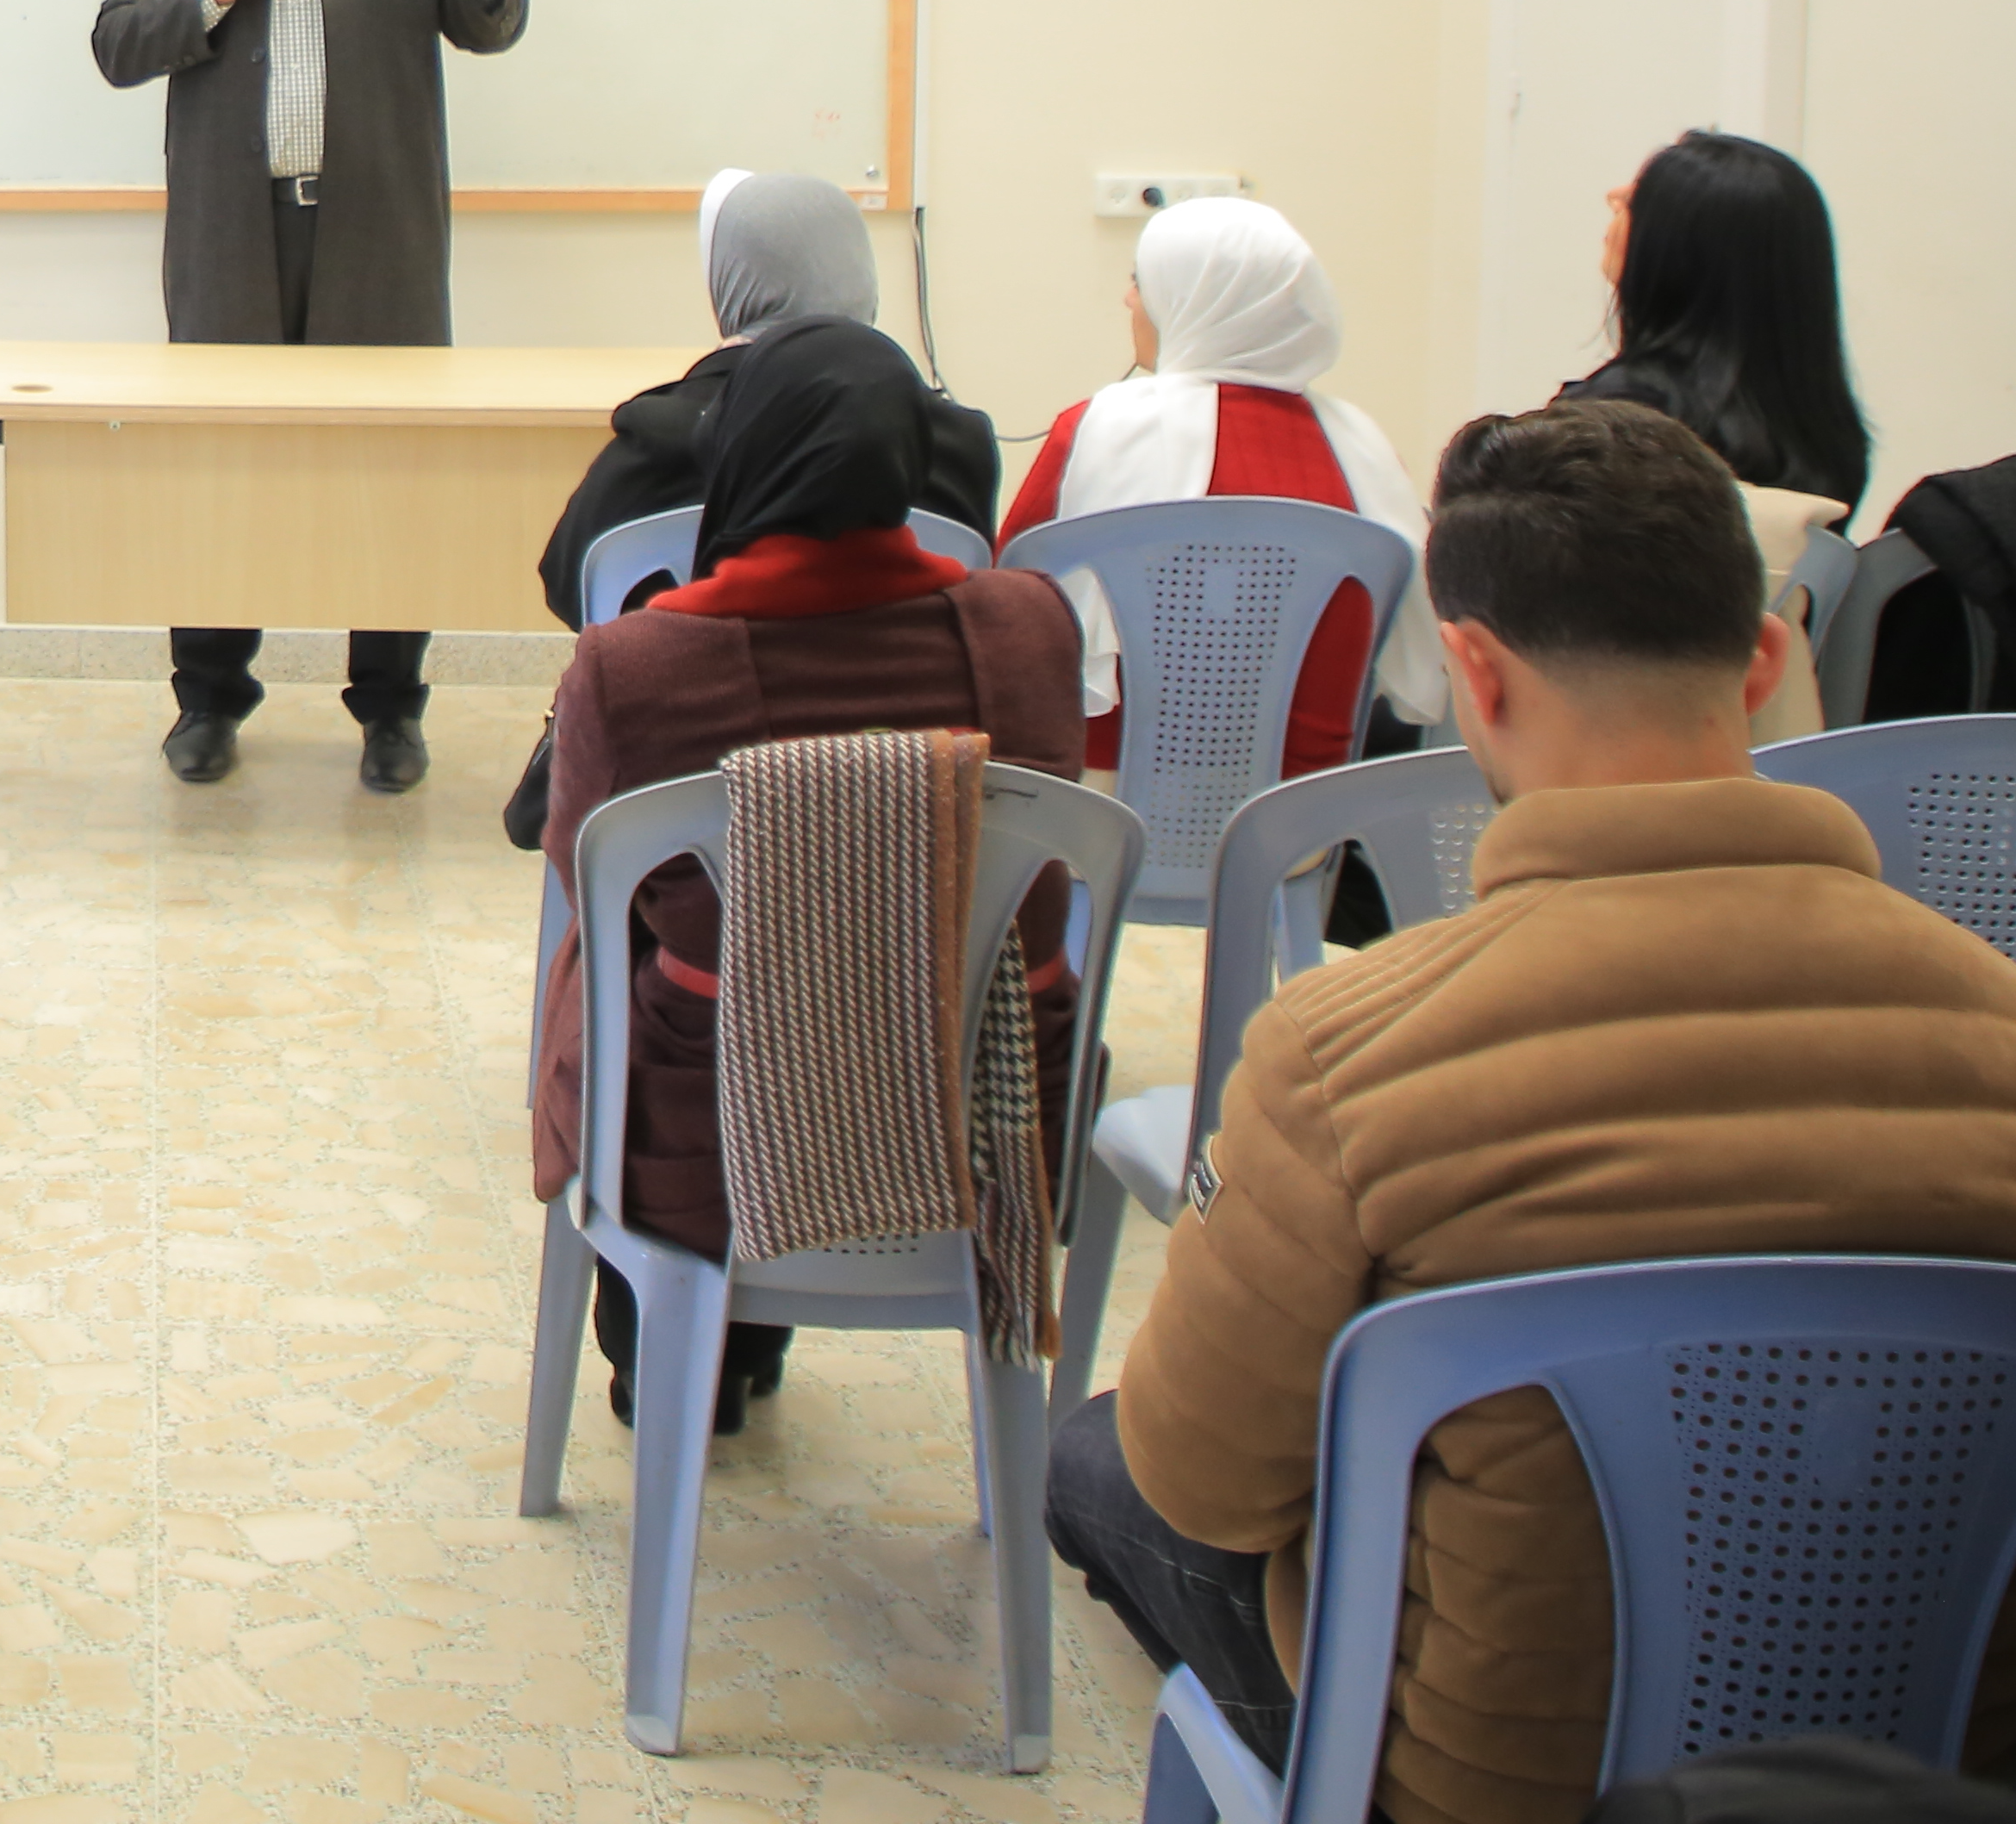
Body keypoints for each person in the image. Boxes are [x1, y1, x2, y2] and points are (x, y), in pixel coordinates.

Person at [1048, 400, 2016, 1823]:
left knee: (1104, 1455)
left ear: (1475, 673)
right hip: (1927, 1768)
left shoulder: (1349, 1052)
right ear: (1766, 659)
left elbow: (1206, 1478)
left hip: (1486, 1779)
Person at [528, 320, 1085, 1435]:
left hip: (707, 1147)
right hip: (990, 1127)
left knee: (640, 963)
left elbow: (586, 872)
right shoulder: (1029, 627)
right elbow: (1048, 890)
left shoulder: (636, 666)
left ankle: (673, 1362)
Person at [88, 0, 543, 795]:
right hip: (228, 238)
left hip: (375, 232)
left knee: (388, 477)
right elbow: (113, 43)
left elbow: (484, 27)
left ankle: (391, 711)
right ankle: (208, 700)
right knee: (218, 471)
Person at [503, 166, 998, 849]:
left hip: (681, 788)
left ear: (730, 280)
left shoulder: (658, 437)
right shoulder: (955, 443)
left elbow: (575, 590)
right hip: (911, 789)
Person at [999, 197, 1445, 775]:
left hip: (1104, 818)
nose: (1129, 298)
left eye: (1142, 281)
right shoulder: (1365, 450)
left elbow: (1006, 597)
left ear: (1188, 297)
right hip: (1299, 827)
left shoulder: (1096, 428)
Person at [1561, 129, 1874, 582]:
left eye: (1643, 199)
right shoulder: (1831, 435)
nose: (1615, 196)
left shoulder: (1609, 431)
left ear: (1678, 254)